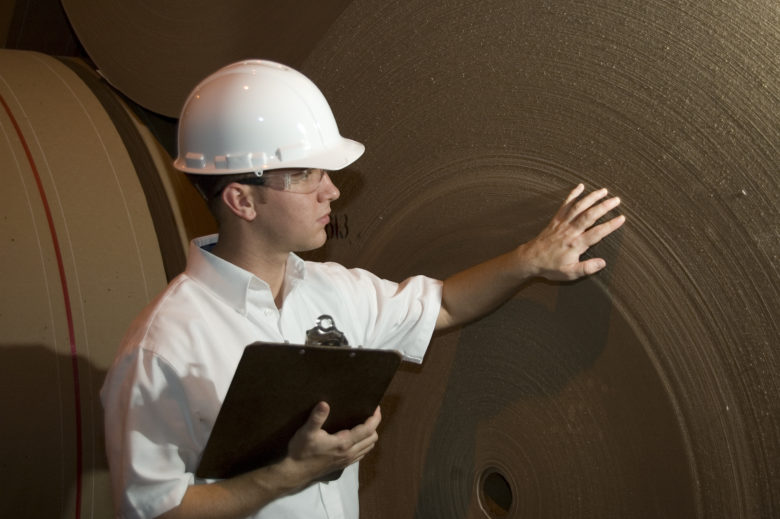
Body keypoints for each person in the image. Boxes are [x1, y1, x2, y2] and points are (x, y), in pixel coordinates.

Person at [101, 59, 625, 519]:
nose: (332, 189)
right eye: (307, 174)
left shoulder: (333, 291)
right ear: (242, 199)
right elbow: (153, 509)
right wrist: (286, 475)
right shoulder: (161, 348)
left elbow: (440, 305)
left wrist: (531, 259)